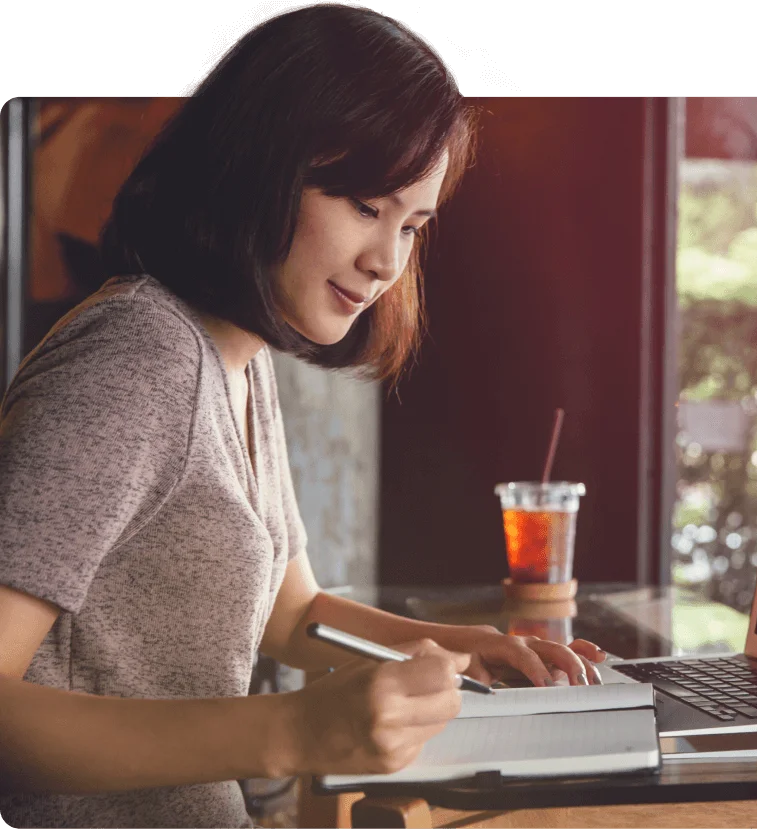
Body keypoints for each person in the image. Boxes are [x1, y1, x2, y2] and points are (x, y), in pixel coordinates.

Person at [0, 5, 606, 828]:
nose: (387, 262)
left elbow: (292, 613)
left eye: (411, 226)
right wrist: (294, 728)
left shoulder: (236, 359)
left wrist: (469, 650)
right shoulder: (137, 361)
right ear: (258, 165)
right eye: (365, 205)